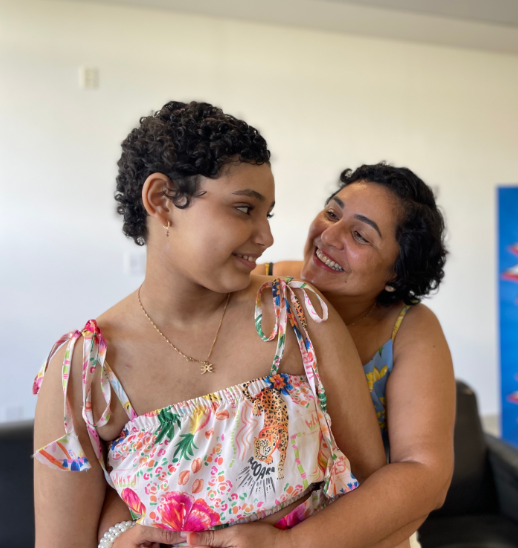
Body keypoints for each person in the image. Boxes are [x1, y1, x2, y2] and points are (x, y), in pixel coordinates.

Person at [33, 101, 387, 548]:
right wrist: (118, 539)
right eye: (244, 208)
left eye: (267, 214)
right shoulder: (84, 373)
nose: (266, 237)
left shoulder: (299, 316)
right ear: (161, 200)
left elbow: (375, 491)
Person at [102, 163, 456, 548]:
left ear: (396, 273)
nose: (329, 236)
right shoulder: (258, 290)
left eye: (360, 235)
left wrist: (290, 544)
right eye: (332, 213)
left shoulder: (408, 328)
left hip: (364, 528)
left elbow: (425, 474)